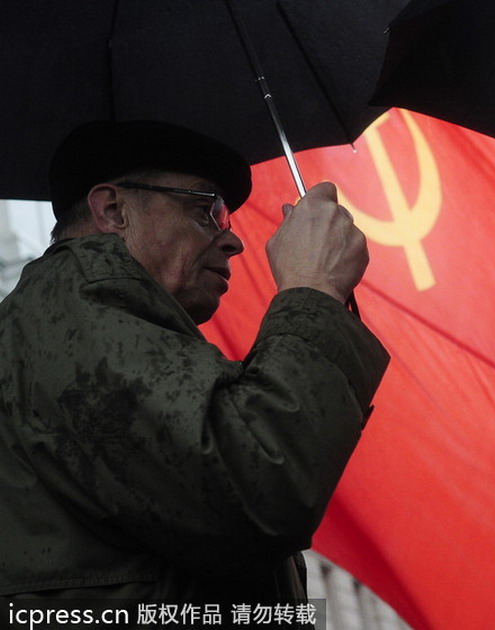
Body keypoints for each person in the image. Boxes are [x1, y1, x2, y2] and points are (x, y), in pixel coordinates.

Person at [0, 120, 390, 611]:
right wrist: (312, 288)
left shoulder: (88, 314)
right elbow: (259, 486)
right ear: (113, 209)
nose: (234, 242)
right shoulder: (78, 297)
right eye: (207, 209)